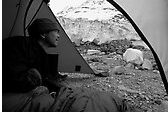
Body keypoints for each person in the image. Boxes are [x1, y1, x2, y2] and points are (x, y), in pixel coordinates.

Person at [2, 18, 130, 112]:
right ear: (43, 34)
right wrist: (35, 82)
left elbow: (47, 81)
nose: (58, 36)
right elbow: (10, 73)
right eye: (55, 32)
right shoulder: (18, 44)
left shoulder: (44, 56)